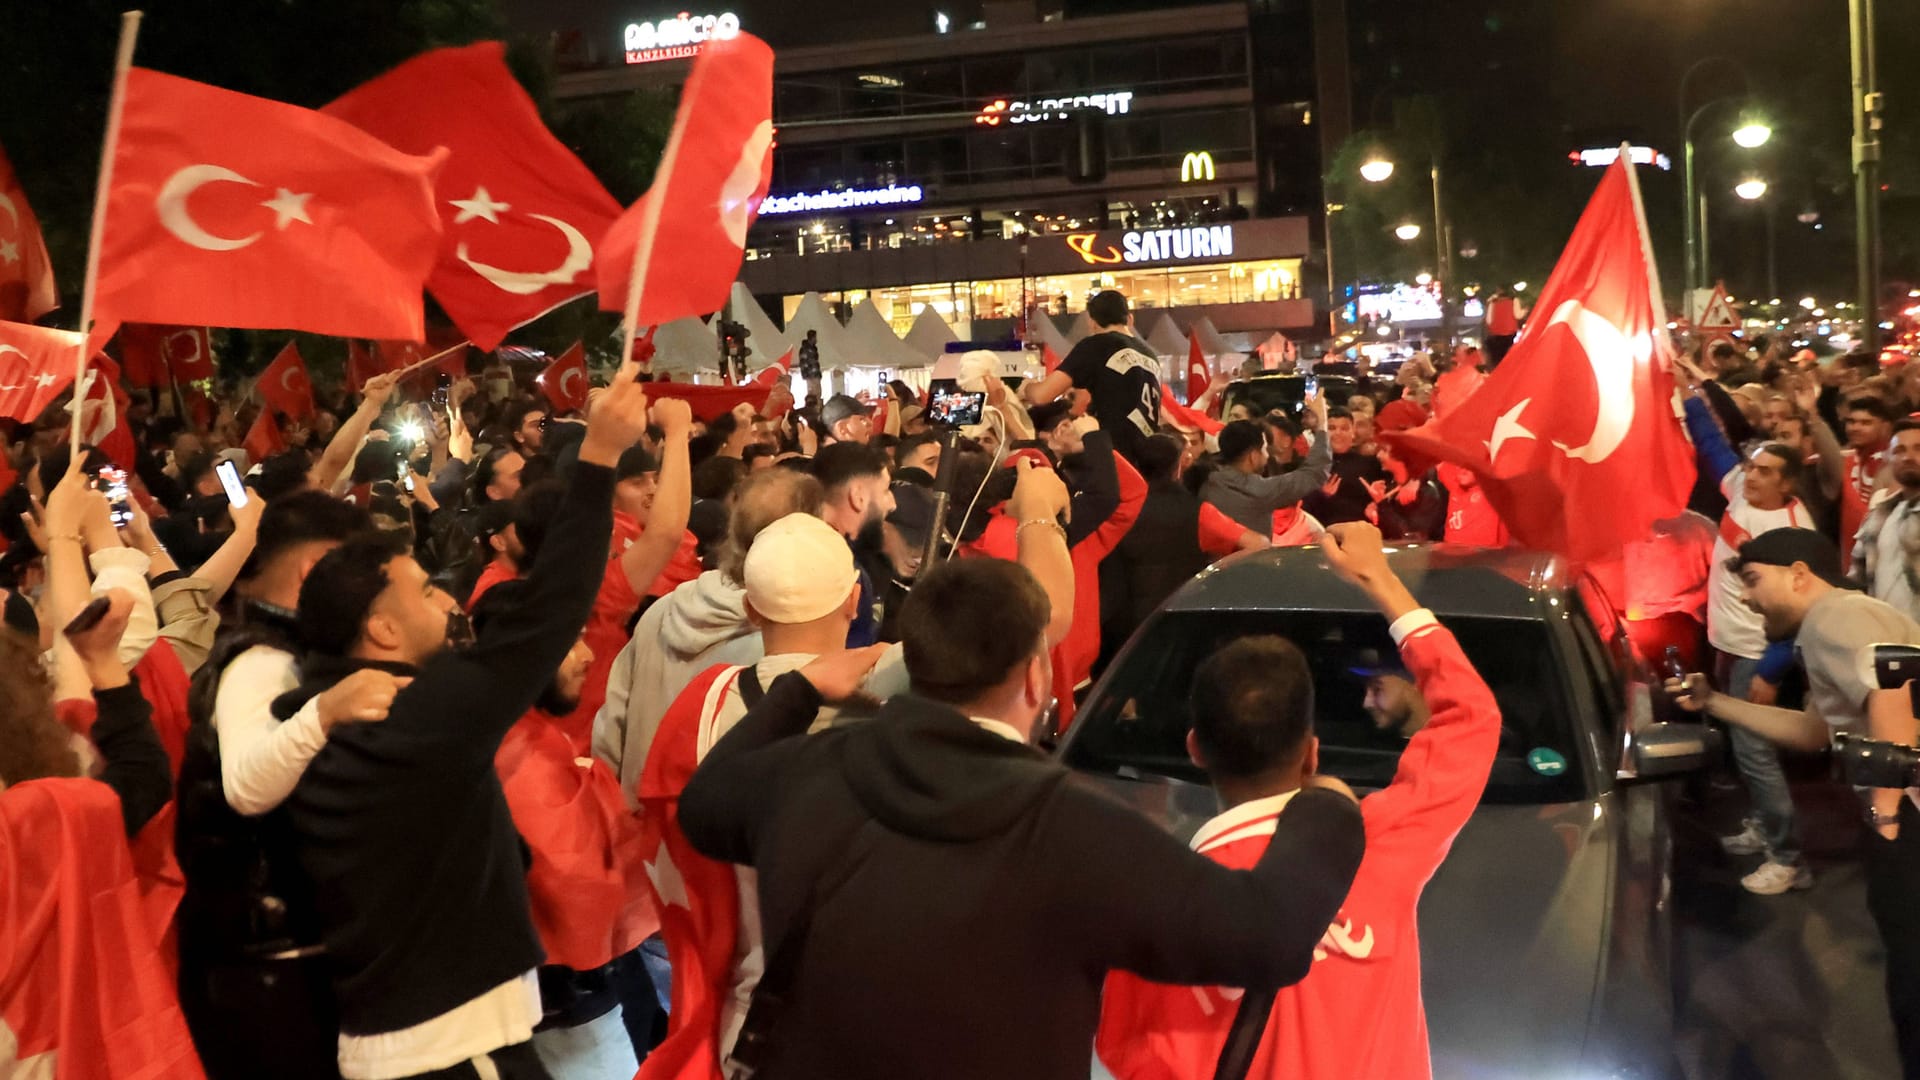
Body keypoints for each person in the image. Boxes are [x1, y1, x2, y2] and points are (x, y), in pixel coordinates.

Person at [676, 548, 1364, 1080]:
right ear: (1035, 676)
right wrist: (1325, 809)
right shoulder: (1076, 829)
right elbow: (1267, 934)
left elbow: (704, 805)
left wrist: (796, 692)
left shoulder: (812, 771)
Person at [277, 362, 652, 1080]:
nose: (448, 604)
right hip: (450, 1048)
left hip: (407, 1038)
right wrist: (599, 457)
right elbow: (549, 614)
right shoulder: (412, 718)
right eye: (422, 591)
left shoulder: (313, 712)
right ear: (382, 632)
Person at [1097, 522, 1502, 1080]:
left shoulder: (1148, 923)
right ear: (1312, 755)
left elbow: (1131, 1060)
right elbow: (1472, 720)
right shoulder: (1377, 847)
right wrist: (1380, 581)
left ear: (1196, 749)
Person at [1667, 528, 1920, 1077]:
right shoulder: (1832, 625)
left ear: (1801, 575)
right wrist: (1715, 702)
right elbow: (1813, 731)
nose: (1749, 599)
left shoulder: (1835, 617)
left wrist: (1886, 811)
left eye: (1754, 581)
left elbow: (1895, 682)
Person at [592, 469, 826, 796]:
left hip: (642, 835)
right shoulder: (785, 643)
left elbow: (608, 739)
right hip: (708, 843)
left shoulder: (662, 611)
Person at [1684, 385, 1819, 894]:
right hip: (1728, 643)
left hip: (1754, 654)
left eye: (1764, 471)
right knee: (1747, 752)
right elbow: (1714, 446)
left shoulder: (1792, 532)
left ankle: (1789, 858)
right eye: (1752, 466)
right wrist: (1691, 395)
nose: (1751, 474)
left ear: (1787, 482)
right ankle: (1766, 828)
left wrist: (1770, 668)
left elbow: (1799, 613)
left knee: (1756, 755)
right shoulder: (1742, 488)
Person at [1098, 434, 1267, 673]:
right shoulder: (1197, 513)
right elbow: (1259, 544)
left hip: (1116, 632)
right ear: (1178, 467)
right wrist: (1213, 570)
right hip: (1172, 627)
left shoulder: (1114, 509)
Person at [1020, 289, 1163, 464]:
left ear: (1092, 323)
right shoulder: (1150, 355)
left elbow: (1041, 396)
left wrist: (1026, 387)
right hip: (1151, 460)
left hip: (1117, 465)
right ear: (1130, 319)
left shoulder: (1096, 345)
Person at [1199, 401, 1334, 538]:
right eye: (1264, 449)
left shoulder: (1206, 481)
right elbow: (1314, 473)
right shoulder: (1257, 490)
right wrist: (1322, 424)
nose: (1268, 455)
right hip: (1249, 559)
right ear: (1253, 456)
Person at [812, 442, 895, 648]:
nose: (893, 504)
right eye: (885, 490)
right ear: (858, 496)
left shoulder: (794, 547)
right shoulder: (841, 571)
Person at [1852, 418, 1920, 620]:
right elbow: (1857, 579)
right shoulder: (1879, 515)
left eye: (1919, 448)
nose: (1908, 457)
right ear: (1888, 459)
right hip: (1887, 638)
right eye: (1899, 450)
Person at [1301, 409, 1390, 527]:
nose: (1338, 433)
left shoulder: (1371, 464)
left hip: (1363, 533)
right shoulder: (1310, 466)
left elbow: (1395, 487)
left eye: (1344, 428)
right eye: (1332, 428)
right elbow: (1301, 512)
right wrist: (1321, 495)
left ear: (1352, 432)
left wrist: (1377, 503)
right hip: (1324, 536)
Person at [1841, 394, 1897, 566]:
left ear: (1885, 427)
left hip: (1883, 558)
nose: (1855, 428)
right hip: (1852, 557)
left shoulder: (1894, 465)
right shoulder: (1848, 460)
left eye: (1866, 423)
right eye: (1851, 422)